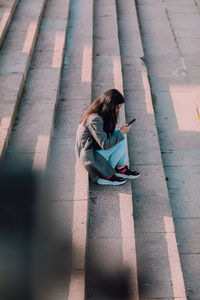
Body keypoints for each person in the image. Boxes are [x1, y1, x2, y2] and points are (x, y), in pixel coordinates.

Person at [75, 89, 140, 185]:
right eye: (117, 107)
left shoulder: (99, 112)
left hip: (92, 149)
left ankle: (120, 168)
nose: (117, 110)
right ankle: (105, 174)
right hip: (88, 157)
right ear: (110, 106)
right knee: (121, 137)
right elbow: (105, 144)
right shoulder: (95, 119)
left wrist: (120, 132)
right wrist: (121, 132)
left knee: (121, 135)